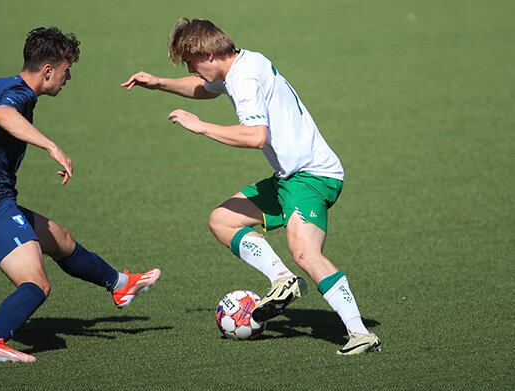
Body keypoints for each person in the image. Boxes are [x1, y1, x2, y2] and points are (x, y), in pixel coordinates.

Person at [121, 18, 379, 355]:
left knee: (305, 252)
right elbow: (204, 88)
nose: (191, 69)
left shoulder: (243, 78)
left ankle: (359, 332)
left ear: (209, 54)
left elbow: (256, 136)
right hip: (289, 178)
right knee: (223, 220)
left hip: (312, 176)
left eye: (191, 62)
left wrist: (202, 128)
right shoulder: (244, 63)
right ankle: (282, 281)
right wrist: (159, 84)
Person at [0, 27, 160, 363]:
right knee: (37, 285)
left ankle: (120, 284)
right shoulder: (19, 97)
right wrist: (51, 145)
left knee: (61, 240)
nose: (68, 79)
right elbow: (2, 115)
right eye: (67, 71)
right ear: (48, 70)